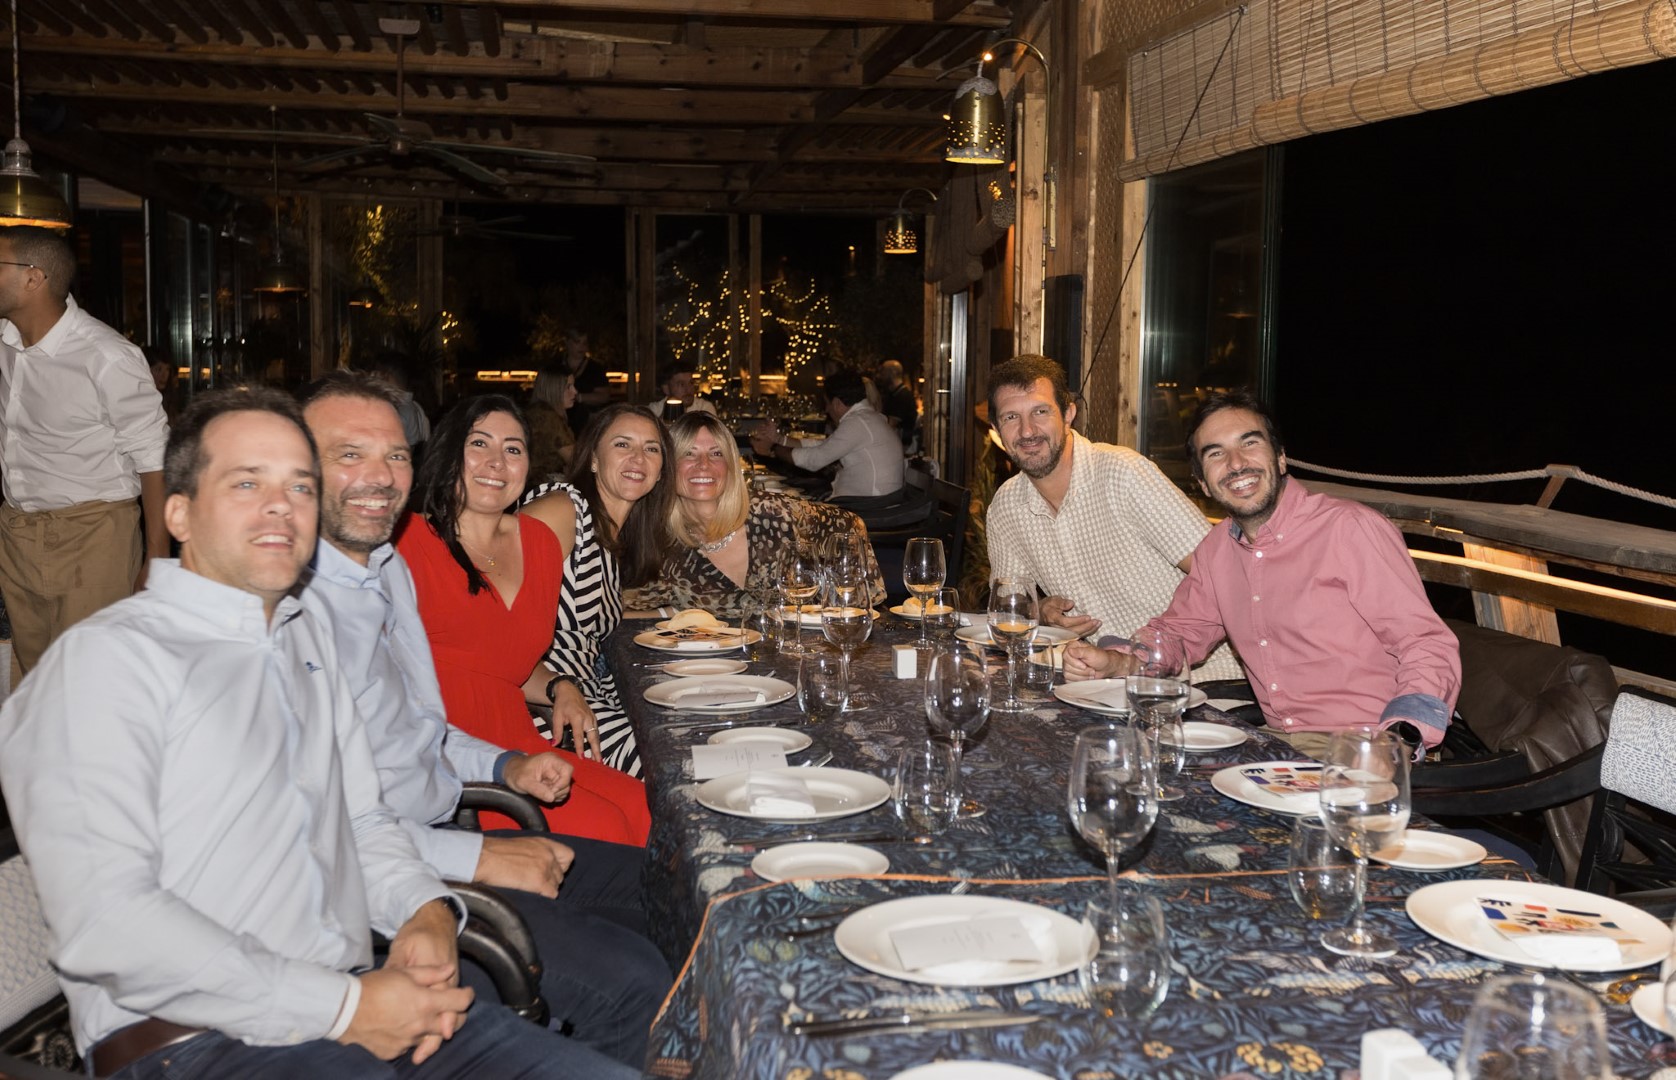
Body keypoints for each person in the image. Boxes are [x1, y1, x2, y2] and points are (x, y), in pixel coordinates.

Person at [0, 386, 633, 1078]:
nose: (282, 506)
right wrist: (344, 1007)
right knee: (620, 986)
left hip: (350, 990)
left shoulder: (301, 640)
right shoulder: (106, 663)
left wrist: (425, 908)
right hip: (198, 1042)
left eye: (301, 486)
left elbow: (363, 821)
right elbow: (108, 925)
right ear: (178, 511)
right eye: (248, 483)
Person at [299, 374, 668, 1067]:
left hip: (470, 774)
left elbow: (431, 720)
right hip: (419, 854)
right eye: (349, 454)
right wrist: (471, 858)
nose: (378, 476)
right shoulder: (350, 580)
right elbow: (327, 830)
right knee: (634, 950)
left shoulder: (382, 571)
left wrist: (514, 752)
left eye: (392, 456)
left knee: (663, 861)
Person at [1064, 388, 1462, 758]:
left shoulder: (1349, 529)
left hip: (1365, 742)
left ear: (1281, 458)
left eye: (1249, 443)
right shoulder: (1217, 549)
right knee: (1122, 765)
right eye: (1216, 454)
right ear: (1203, 483)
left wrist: (1397, 741)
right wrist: (1116, 663)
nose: (1236, 464)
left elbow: (1425, 644)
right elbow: (1181, 632)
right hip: (1279, 746)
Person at [395, 395, 651, 846]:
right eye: (479, 443)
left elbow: (505, 659)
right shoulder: (408, 543)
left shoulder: (538, 543)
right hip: (450, 757)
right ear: (449, 453)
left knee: (648, 808)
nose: (497, 461)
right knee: (608, 829)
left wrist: (559, 686)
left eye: (513, 449)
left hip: (520, 740)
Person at [983, 355, 1241, 681]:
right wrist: (1042, 610)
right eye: (1011, 417)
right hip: (1105, 684)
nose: (1027, 430)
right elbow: (1009, 607)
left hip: (1203, 681)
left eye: (1041, 411)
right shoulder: (1006, 506)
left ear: (1068, 414)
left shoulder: (1123, 474)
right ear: (996, 430)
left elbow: (1224, 576)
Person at [0, 225, 170, 682]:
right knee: (35, 681)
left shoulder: (106, 356)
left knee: (91, 680)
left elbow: (154, 458)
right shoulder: (6, 340)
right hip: (17, 532)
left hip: (94, 534)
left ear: (33, 278)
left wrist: (156, 558)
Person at [521, 404, 673, 778]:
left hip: (587, 693)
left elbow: (582, 615)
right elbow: (488, 619)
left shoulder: (608, 533)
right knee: (672, 764)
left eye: (651, 448)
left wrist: (671, 616)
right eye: (623, 444)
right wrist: (557, 688)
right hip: (545, 708)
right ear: (592, 459)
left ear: (660, 472)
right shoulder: (564, 510)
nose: (638, 458)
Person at [633, 410, 885, 618]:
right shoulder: (660, 541)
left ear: (731, 465)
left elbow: (849, 524)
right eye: (689, 453)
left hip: (798, 649)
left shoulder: (774, 515)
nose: (703, 464)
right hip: (716, 659)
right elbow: (634, 605)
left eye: (716, 453)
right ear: (667, 467)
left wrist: (848, 605)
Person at [750, 368, 905, 500]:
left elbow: (814, 460)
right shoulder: (868, 418)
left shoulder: (857, 423)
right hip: (875, 504)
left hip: (868, 508)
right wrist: (778, 439)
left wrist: (772, 448)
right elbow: (825, 446)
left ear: (837, 403)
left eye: (827, 404)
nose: (826, 410)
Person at [523, 367, 577, 483]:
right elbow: (575, 460)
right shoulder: (548, 417)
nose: (575, 391)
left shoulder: (538, 411)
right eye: (568, 387)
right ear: (553, 390)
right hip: (540, 485)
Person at [647, 361, 717, 420]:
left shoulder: (704, 408)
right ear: (666, 389)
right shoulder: (654, 411)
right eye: (682, 384)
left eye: (691, 383)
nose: (688, 389)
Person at [875, 359, 918, 449]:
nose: (880, 375)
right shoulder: (894, 394)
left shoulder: (902, 396)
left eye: (883, 371)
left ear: (892, 372)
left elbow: (891, 424)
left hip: (901, 447)